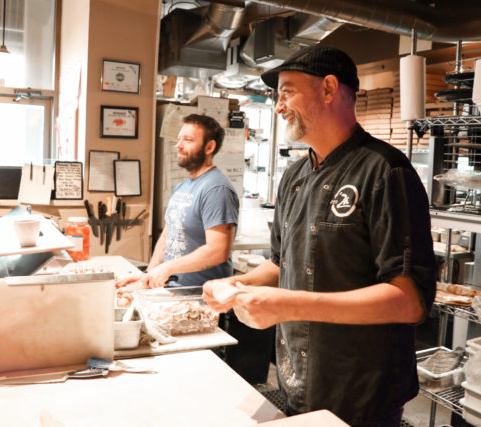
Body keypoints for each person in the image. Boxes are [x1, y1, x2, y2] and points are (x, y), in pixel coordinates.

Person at [202, 45, 437, 426]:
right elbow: (281, 263)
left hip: (361, 395)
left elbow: (409, 300)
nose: (279, 106)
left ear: (328, 89)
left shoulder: (386, 171)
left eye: (287, 91)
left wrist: (290, 305)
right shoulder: (295, 177)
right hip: (296, 381)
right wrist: (237, 284)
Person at [116, 113, 239, 289]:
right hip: (174, 293)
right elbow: (168, 235)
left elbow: (218, 251)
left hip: (202, 299)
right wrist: (148, 276)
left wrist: (168, 268)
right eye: (179, 139)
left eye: (188, 140)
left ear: (209, 147)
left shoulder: (216, 189)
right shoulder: (182, 187)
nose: (178, 146)